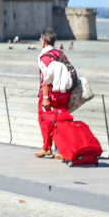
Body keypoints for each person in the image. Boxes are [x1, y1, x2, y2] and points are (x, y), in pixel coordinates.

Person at [36, 28, 73, 158]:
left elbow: (45, 79)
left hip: (51, 93)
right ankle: (63, 149)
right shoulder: (60, 53)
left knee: (44, 119)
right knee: (61, 121)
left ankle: (47, 147)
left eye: (41, 39)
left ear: (44, 41)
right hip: (64, 92)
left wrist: (45, 98)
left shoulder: (44, 57)